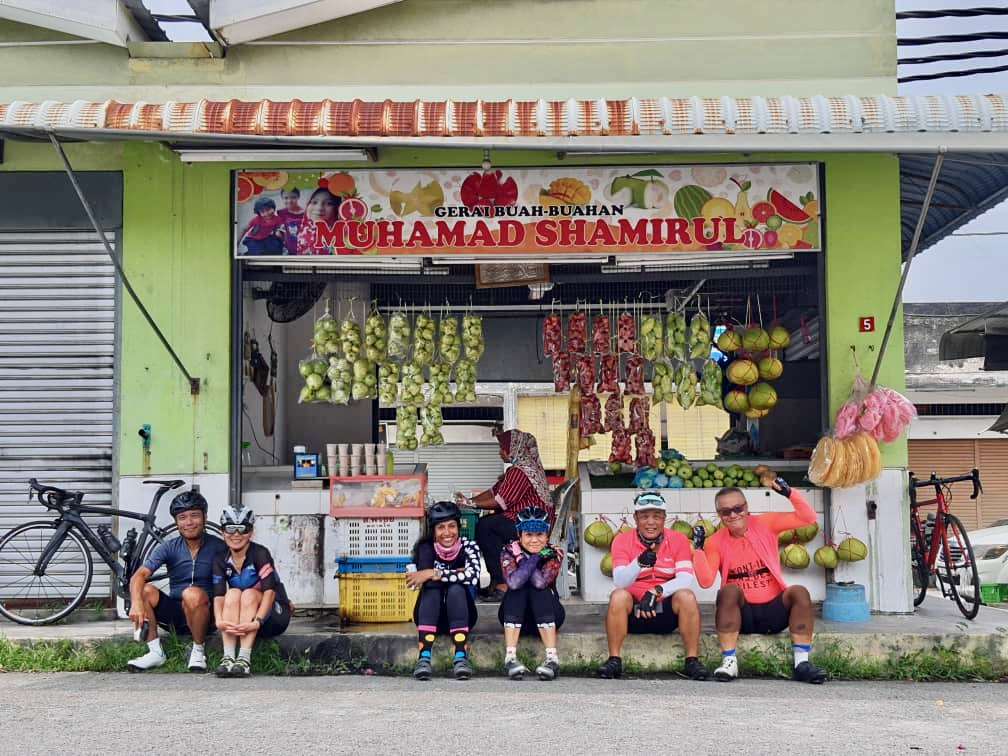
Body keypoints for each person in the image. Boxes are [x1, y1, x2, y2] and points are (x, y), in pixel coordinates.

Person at [692, 477, 830, 684]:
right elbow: (705, 581)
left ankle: (802, 663)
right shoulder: (716, 541)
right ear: (719, 515)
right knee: (728, 590)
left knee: (799, 592)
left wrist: (789, 493)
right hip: (741, 616)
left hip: (774, 612)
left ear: (746, 507)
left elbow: (808, 517)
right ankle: (729, 662)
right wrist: (698, 550)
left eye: (738, 509)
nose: (733, 515)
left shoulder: (766, 523)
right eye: (726, 512)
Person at [597, 490, 708, 681]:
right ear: (635, 518)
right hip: (634, 612)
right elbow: (620, 581)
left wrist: (657, 591)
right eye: (644, 517)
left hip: (665, 610)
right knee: (618, 596)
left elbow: (685, 577)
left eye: (656, 516)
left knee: (687, 596)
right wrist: (638, 563)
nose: (650, 522)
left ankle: (692, 660)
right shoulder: (622, 540)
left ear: (664, 518)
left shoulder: (679, 540)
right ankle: (614, 659)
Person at [127, 490, 227, 672]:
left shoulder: (220, 547)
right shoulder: (169, 547)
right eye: (182, 517)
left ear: (205, 518)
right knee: (144, 590)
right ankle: (155, 652)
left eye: (194, 516)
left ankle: (198, 652)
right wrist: (136, 603)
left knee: (192, 594)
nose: (189, 522)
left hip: (207, 615)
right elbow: (138, 576)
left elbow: (242, 577)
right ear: (176, 522)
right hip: (176, 615)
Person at [457, 429, 553, 601]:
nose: (500, 452)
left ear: (515, 448)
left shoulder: (522, 471)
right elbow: (493, 492)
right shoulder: (517, 469)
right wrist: (468, 501)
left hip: (533, 524)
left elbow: (501, 501)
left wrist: (472, 504)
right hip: (525, 520)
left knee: (486, 527)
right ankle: (497, 580)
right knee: (488, 523)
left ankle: (503, 583)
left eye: (503, 448)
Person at [211, 505, 292, 678]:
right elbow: (219, 596)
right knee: (232, 593)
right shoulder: (220, 558)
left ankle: (244, 659)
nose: (236, 534)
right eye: (230, 529)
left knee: (248, 594)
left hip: (271, 615)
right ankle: (228, 658)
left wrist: (257, 621)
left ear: (251, 532)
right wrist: (219, 620)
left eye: (243, 529)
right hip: (244, 619)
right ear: (222, 532)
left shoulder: (260, 553)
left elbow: (270, 592)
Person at [407, 501, 482, 681]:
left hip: (462, 617)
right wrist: (456, 572)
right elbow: (423, 582)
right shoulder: (425, 548)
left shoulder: (469, 546)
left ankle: (461, 657)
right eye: (441, 527)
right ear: (433, 531)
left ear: (458, 527)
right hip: (431, 616)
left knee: (456, 589)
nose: (447, 533)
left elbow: (472, 576)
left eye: (452, 526)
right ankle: (424, 658)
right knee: (433, 589)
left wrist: (433, 573)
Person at [498, 506, 566, 681]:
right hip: (516, 616)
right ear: (519, 535)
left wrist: (527, 558)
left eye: (540, 535)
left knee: (538, 589)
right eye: (528, 535)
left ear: (547, 535)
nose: (534, 540)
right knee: (518, 588)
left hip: (548, 613)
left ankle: (552, 659)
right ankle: (510, 658)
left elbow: (540, 582)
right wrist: (531, 558)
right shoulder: (508, 551)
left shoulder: (554, 552)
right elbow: (514, 582)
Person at [296, 186, 341, 255]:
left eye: (329, 203)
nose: (319, 208)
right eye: (314, 202)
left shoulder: (341, 236)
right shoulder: (301, 231)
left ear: (337, 208)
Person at [276, 187, 304, 255]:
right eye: (286, 198)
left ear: (298, 197)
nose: (289, 201)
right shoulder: (281, 213)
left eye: (293, 197)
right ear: (282, 198)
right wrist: (278, 232)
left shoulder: (306, 213)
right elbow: (279, 228)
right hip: (288, 249)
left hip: (302, 248)